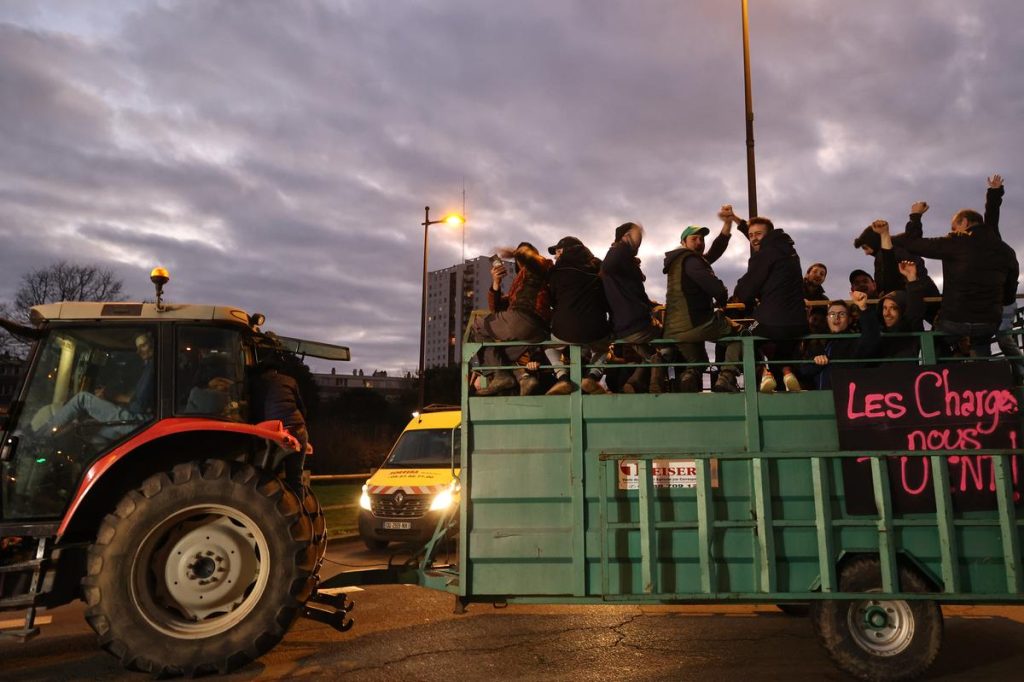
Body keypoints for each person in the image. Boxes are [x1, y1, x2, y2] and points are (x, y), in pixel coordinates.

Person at [893, 193, 1016, 357]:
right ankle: (983, 377)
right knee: (981, 346)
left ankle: (942, 377)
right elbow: (1010, 290)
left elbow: (912, 244)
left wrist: (916, 216)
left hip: (954, 319)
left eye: (953, 227)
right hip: (989, 321)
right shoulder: (1006, 250)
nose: (952, 231)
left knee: (935, 345)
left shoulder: (955, 242)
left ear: (964, 222)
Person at [661, 210, 742, 392]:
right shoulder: (691, 260)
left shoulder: (679, 261)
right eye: (694, 239)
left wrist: (727, 225)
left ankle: (688, 382)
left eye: (702, 239)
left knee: (699, 363)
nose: (699, 242)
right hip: (696, 323)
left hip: (674, 330)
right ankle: (726, 377)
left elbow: (715, 251)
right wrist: (722, 298)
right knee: (740, 337)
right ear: (683, 242)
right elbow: (714, 287)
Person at [733, 216, 808, 392]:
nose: (753, 238)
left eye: (758, 234)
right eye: (750, 235)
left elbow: (746, 290)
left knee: (745, 336)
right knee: (782, 348)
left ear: (769, 235)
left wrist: (739, 293)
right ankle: (786, 371)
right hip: (798, 323)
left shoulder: (765, 254)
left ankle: (765, 373)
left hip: (771, 322)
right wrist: (739, 222)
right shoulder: (789, 251)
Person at [472, 242, 553, 396]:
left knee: (478, 324)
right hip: (535, 333)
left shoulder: (539, 268)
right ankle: (523, 378)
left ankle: (500, 376)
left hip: (525, 320)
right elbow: (496, 309)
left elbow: (541, 262)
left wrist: (517, 252)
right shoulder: (520, 283)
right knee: (499, 354)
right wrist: (496, 283)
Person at [42, 332, 156, 437]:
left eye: (143, 346)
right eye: (137, 348)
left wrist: (110, 396)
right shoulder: (149, 367)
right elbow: (137, 398)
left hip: (139, 422)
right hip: (140, 419)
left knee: (82, 398)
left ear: (153, 343)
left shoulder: (154, 366)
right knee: (96, 434)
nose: (138, 351)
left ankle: (41, 436)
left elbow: (139, 404)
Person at [601, 222, 665, 393]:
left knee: (650, 354)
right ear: (626, 236)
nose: (640, 241)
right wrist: (625, 244)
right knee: (671, 339)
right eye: (638, 237)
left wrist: (651, 304)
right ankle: (656, 384)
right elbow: (607, 266)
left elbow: (633, 293)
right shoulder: (617, 254)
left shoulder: (623, 264)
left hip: (623, 327)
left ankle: (635, 382)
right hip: (637, 323)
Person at [543, 236, 612, 395]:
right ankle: (592, 377)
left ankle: (562, 378)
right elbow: (605, 298)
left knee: (548, 346)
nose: (555, 256)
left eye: (557, 251)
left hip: (564, 329)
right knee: (603, 348)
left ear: (564, 251)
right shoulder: (597, 267)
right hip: (595, 328)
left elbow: (552, 299)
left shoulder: (556, 271)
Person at [981, 174, 1024, 383]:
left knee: (1003, 339)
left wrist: (995, 192)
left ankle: (1019, 376)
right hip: (996, 301)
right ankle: (1000, 379)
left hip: (1003, 301)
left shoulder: (991, 241)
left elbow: (991, 216)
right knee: (997, 340)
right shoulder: (974, 250)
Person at [799, 291, 881, 390]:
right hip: (821, 399)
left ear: (849, 319)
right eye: (832, 314)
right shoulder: (819, 343)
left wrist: (863, 308)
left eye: (841, 314)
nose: (836, 318)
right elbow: (803, 371)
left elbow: (871, 338)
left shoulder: (854, 342)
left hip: (846, 400)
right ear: (827, 319)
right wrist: (816, 363)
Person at [251, 353, 308, 491]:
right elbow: (301, 407)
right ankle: (299, 509)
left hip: (277, 433)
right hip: (299, 430)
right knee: (295, 478)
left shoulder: (260, 383)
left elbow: (257, 410)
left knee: (267, 477)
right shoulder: (290, 381)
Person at [878, 260, 927, 359]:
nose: (887, 313)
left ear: (903, 310)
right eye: (884, 308)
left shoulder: (910, 326)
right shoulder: (878, 332)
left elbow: (915, 312)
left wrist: (912, 278)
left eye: (893, 308)